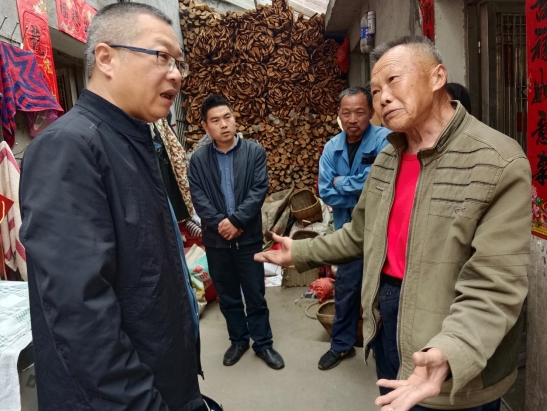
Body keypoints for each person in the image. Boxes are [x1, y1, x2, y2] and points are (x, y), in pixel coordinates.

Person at [256, 35, 530, 411]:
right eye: (376, 90)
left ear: (437, 77)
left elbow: (495, 283)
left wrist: (453, 348)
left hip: (451, 330)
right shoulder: (388, 157)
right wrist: (301, 251)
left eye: (393, 80)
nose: (382, 97)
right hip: (388, 315)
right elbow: (359, 233)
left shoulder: (498, 161)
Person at [19, 3, 221, 411]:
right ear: (106, 58)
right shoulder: (69, 147)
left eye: (179, 63)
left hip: (164, 379)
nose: (176, 74)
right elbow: (81, 316)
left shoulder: (135, 140)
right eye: (162, 56)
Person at [188, 94, 284, 370]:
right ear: (206, 126)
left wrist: (237, 221)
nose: (224, 125)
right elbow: (198, 197)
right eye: (215, 120)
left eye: (227, 117)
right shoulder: (198, 160)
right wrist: (223, 223)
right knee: (228, 295)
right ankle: (239, 340)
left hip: (248, 237)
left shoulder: (254, 152)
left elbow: (258, 189)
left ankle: (263, 343)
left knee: (255, 293)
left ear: (234, 118)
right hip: (217, 241)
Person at [317, 86, 389, 370]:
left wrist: (342, 183)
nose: (352, 119)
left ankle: (384, 348)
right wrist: (360, 191)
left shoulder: (385, 140)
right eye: (346, 113)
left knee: (384, 293)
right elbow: (326, 191)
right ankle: (341, 345)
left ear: (370, 112)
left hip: (381, 230)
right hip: (348, 232)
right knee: (346, 289)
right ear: (339, 114)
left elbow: (381, 183)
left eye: (359, 112)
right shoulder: (331, 147)